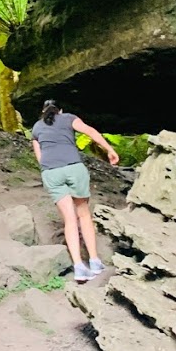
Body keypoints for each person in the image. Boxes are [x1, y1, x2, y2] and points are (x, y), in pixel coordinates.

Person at [30, 100, 119, 283]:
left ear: (43, 111)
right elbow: (91, 132)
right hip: (73, 168)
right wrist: (110, 150)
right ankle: (94, 262)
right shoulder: (68, 118)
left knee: (69, 220)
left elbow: (40, 158)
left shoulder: (37, 127)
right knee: (84, 215)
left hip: (51, 173)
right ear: (60, 110)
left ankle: (79, 267)